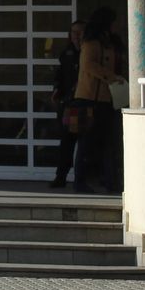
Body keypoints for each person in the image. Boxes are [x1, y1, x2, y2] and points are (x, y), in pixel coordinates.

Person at [74, 6, 121, 193]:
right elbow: (89, 65)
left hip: (106, 99)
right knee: (86, 142)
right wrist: (111, 76)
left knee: (109, 142)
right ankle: (80, 181)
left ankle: (110, 180)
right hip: (89, 100)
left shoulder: (108, 42)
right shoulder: (91, 43)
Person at [48, 20, 84, 189]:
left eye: (80, 32)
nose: (76, 36)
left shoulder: (90, 52)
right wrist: (56, 90)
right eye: (73, 32)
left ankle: (82, 179)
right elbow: (60, 76)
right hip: (68, 105)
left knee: (86, 143)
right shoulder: (67, 54)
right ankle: (61, 177)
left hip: (85, 103)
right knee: (66, 142)